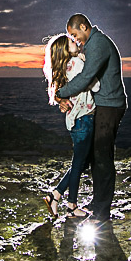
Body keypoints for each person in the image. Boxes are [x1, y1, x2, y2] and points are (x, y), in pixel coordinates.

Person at [54, 14, 126, 224]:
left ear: (84, 27)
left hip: (110, 106)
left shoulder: (98, 44)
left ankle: (102, 213)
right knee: (96, 158)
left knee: (103, 160)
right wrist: (62, 98)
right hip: (102, 105)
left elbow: (85, 78)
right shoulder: (92, 44)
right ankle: (97, 204)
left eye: (75, 34)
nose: (75, 40)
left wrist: (61, 93)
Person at [42, 33, 98, 218]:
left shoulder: (66, 67)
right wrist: (86, 61)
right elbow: (95, 85)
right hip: (84, 119)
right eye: (71, 42)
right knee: (79, 163)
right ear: (65, 50)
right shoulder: (77, 64)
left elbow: (61, 92)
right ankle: (71, 205)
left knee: (80, 162)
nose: (75, 42)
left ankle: (56, 195)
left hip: (76, 121)